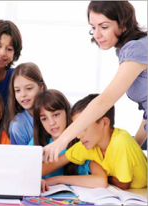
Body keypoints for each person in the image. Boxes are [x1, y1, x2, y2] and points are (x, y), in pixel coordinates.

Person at [43, 1, 147, 163]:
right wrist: (135, 151)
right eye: (93, 27)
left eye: (104, 27)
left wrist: (61, 141)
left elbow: (105, 101)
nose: (97, 34)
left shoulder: (136, 50)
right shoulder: (128, 50)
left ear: (124, 25)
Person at [43, 94, 147, 190]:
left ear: (104, 123)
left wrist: (106, 176)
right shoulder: (87, 144)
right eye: (77, 129)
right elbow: (54, 163)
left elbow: (124, 184)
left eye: (84, 128)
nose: (78, 136)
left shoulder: (120, 142)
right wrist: (38, 179)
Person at [31, 89, 95, 180]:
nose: (51, 123)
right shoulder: (36, 142)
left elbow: (100, 179)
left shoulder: (81, 141)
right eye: (44, 119)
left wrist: (58, 180)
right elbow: (26, 173)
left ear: (67, 112)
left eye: (56, 114)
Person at [7, 62, 47, 145]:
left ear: (41, 87)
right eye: (17, 90)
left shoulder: (61, 106)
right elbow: (22, 156)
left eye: (28, 88)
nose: (23, 94)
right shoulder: (18, 126)